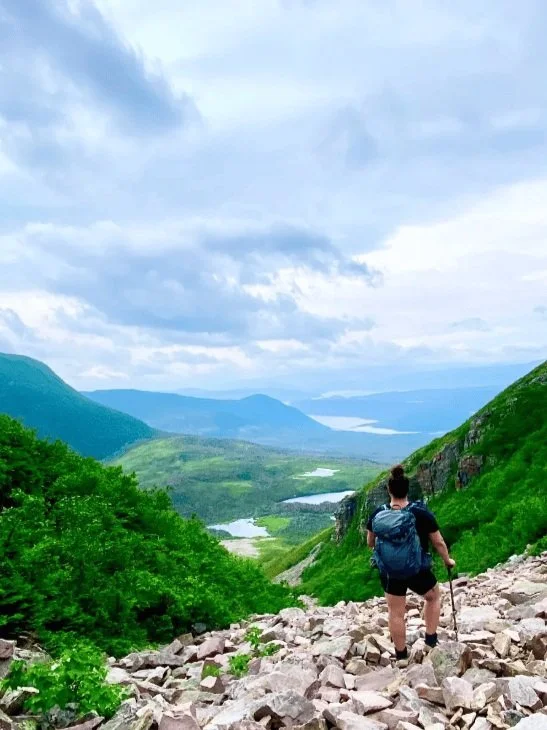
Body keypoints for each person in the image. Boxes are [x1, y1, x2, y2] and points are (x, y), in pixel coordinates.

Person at [366, 465, 455, 664]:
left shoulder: (378, 513)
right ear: (407, 489)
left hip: (390, 572)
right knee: (432, 596)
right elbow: (438, 542)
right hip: (417, 569)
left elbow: (370, 543)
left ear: (389, 490)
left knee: (396, 612)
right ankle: (430, 641)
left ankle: (401, 656)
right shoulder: (420, 512)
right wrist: (447, 560)